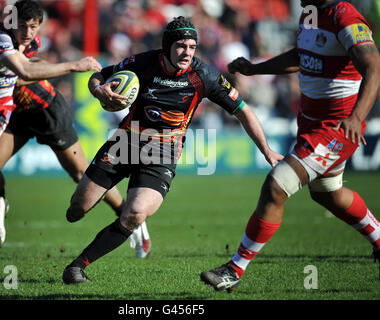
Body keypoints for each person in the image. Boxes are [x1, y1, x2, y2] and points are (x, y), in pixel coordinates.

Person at [61, 16, 283, 284]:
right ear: (167, 47)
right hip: (125, 143)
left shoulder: (204, 75)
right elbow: (98, 76)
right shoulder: (142, 63)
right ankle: (123, 216)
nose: (187, 52)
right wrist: (99, 91)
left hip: (163, 152)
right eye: (181, 46)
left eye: (192, 46)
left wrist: (266, 150)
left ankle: (78, 266)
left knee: (135, 214)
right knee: (76, 210)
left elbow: (243, 111)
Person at [200, 0, 380, 292]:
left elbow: (373, 65)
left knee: (277, 185)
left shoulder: (345, 15)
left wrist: (357, 117)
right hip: (310, 124)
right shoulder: (310, 14)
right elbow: (302, 55)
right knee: (328, 194)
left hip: (336, 128)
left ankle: (234, 269)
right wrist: (256, 70)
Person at [0, 0, 102, 256]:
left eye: (34, 26)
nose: (29, 33)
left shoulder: (28, 44)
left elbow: (28, 68)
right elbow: (26, 71)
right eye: (23, 26)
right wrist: (75, 65)